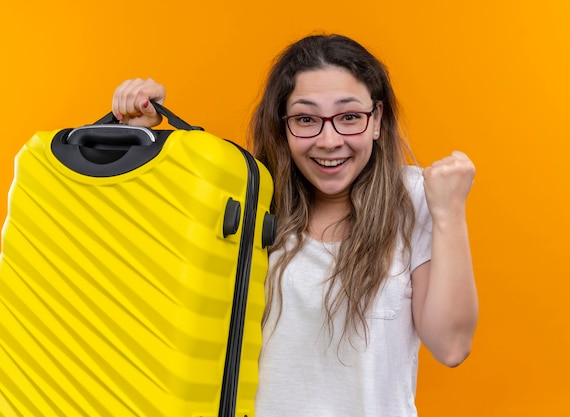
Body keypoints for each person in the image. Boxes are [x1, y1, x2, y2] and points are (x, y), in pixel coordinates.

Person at [111, 34, 478, 416]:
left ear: (377, 120)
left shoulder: (414, 198)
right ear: (283, 126)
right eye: (306, 119)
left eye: (349, 117)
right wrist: (143, 137)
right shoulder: (244, 202)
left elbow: (451, 346)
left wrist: (449, 212)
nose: (329, 140)